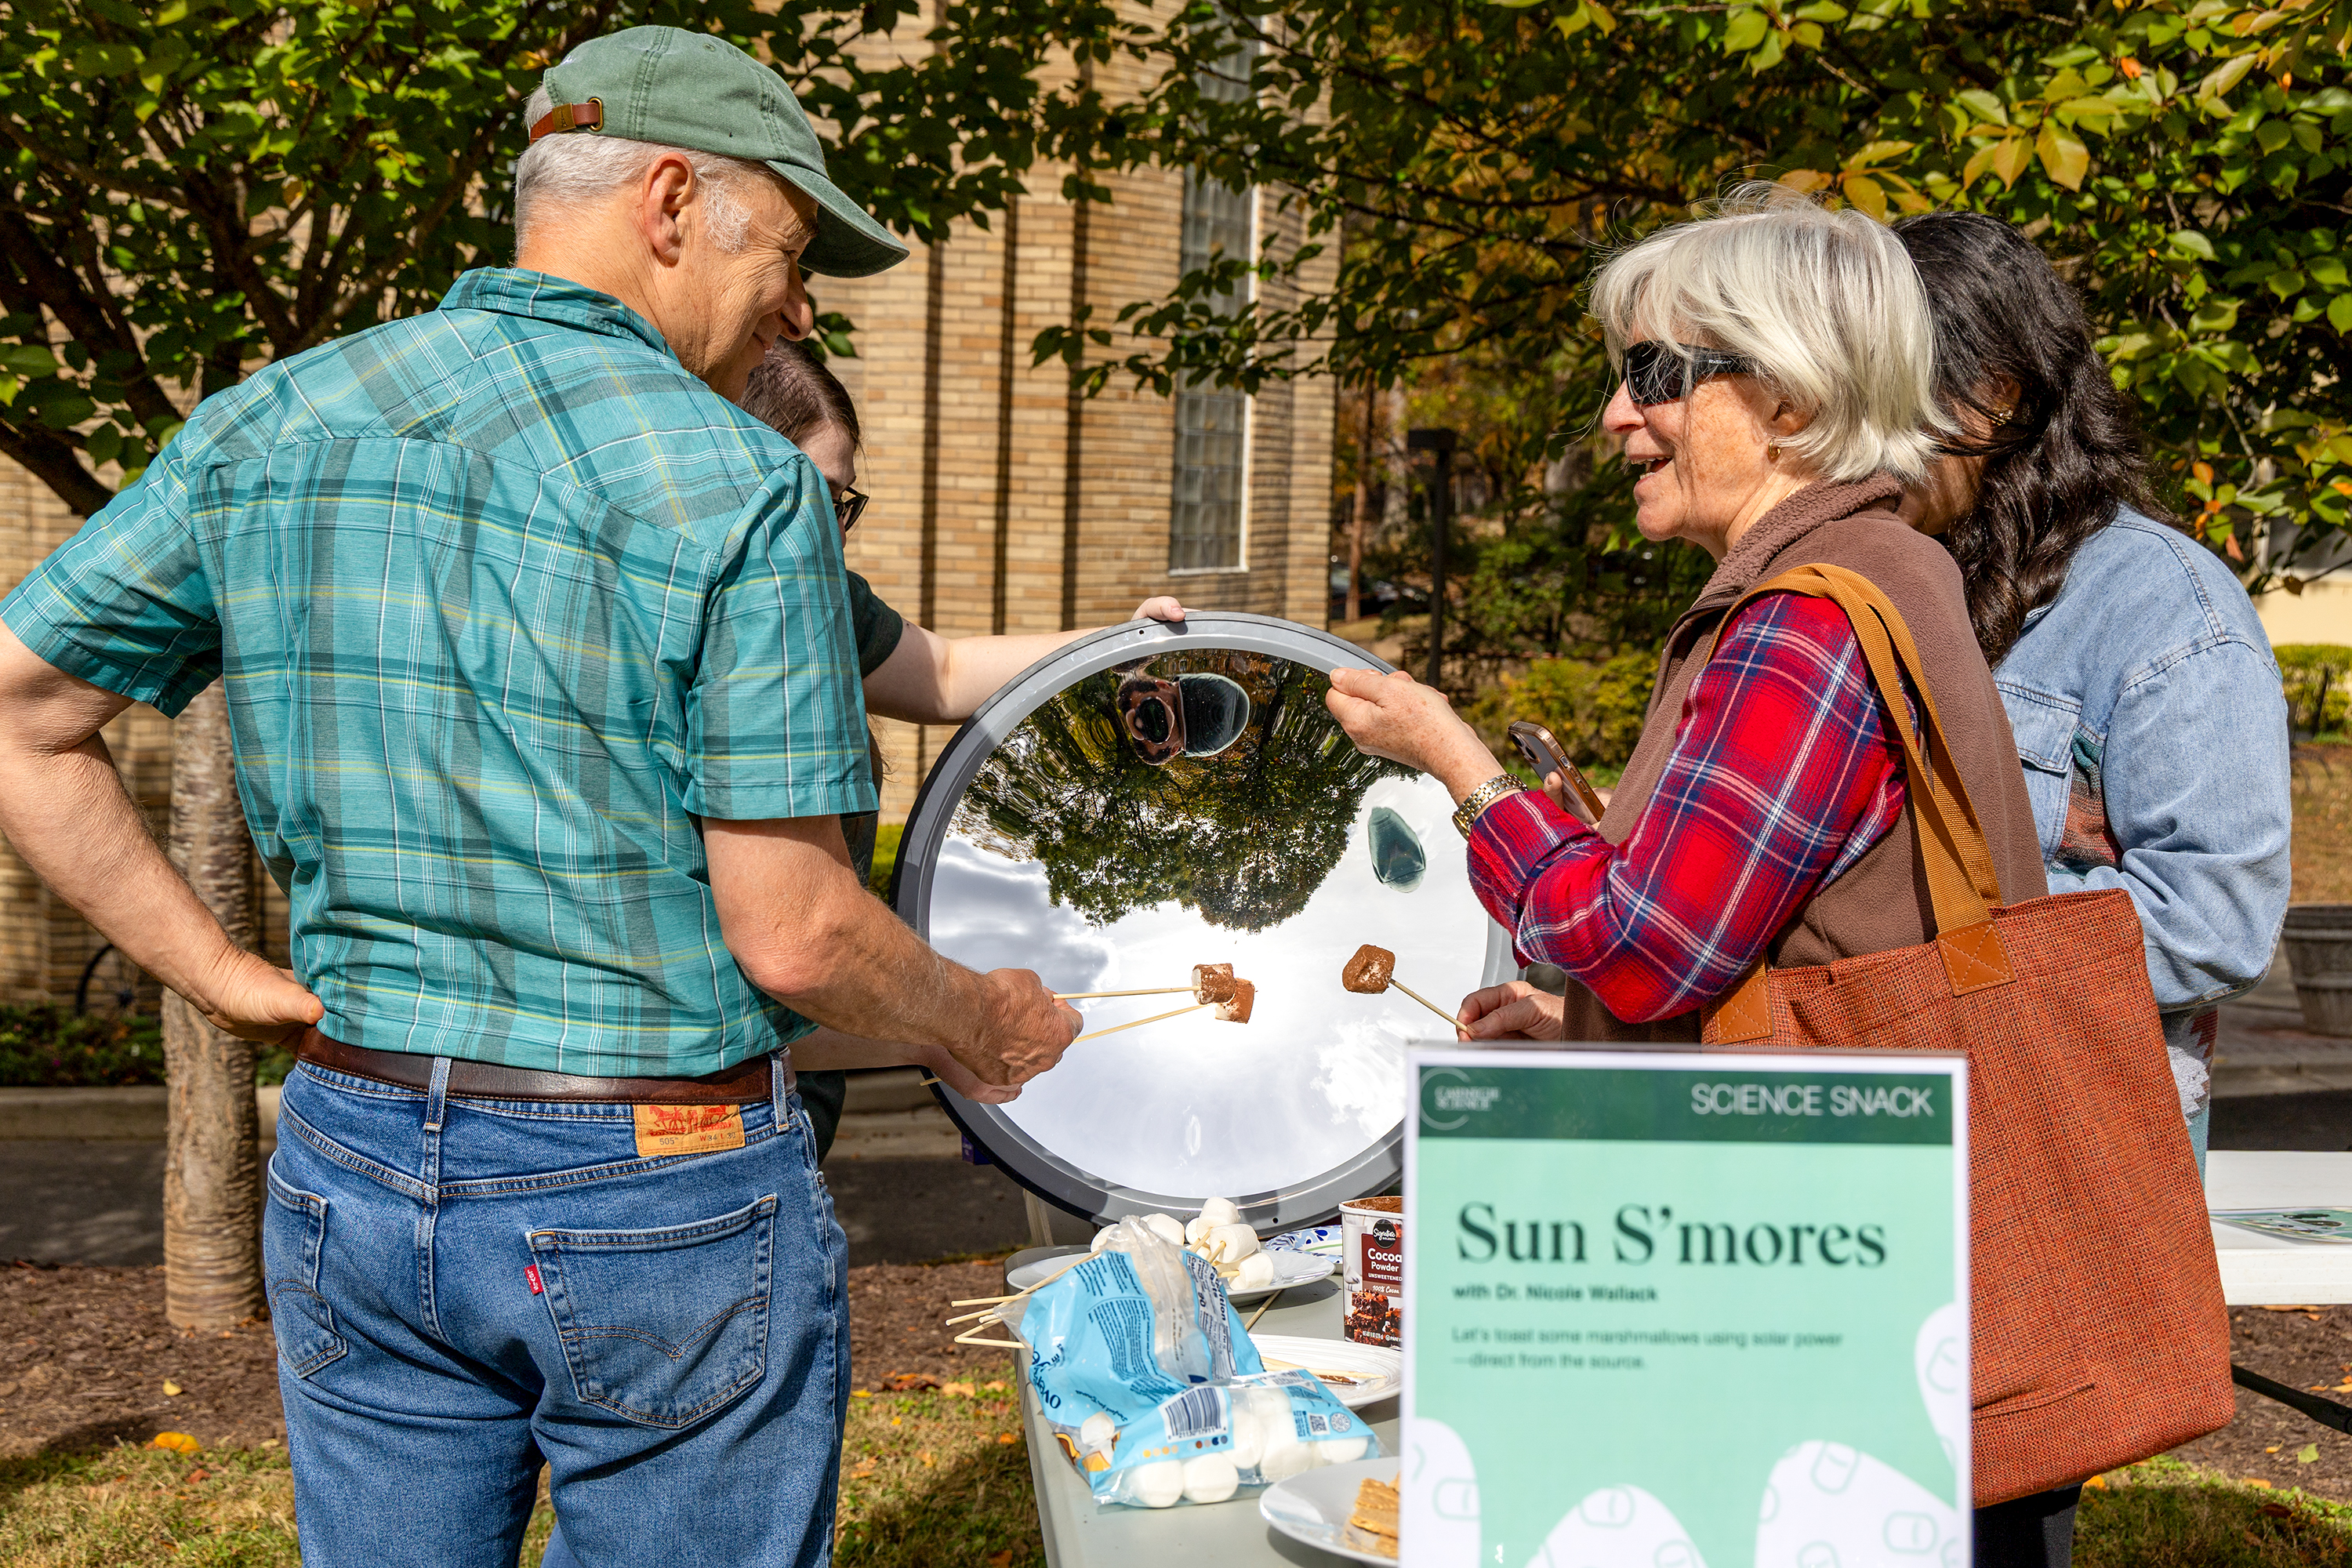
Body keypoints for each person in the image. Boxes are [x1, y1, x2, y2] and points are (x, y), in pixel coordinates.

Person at [0, 27, 1078, 1568]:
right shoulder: (736, 480)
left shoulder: (268, 423)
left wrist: (223, 977)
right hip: (656, 1179)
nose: (799, 301)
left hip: (352, 1154)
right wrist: (987, 1025)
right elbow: (794, 934)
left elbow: (19, 710)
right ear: (666, 202)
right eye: (783, 246)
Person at [1327, 184, 2046, 1050]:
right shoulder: (1895, 562)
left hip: (1787, 1165)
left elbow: (1645, 949)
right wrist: (1579, 1025)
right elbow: (1771, 939)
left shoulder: (1807, 617)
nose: (1617, 413)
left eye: (1654, 374)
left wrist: (1457, 764)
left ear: (1790, 400)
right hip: (1854, 1144)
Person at [1891, 209, 2292, 1169]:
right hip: (1903, 1128)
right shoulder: (1893, 580)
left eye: (1877, 398)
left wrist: (1906, 952)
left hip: (2078, 1162)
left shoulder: (2170, 617)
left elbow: (2213, 922)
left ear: (1990, 398)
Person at [730, 339, 1186, 1157]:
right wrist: (958, 1021)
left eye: (843, 506)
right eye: (812, 501)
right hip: (713, 1130)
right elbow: (776, 962)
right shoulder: (728, 616)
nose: (831, 539)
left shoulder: (822, 597)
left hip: (784, 1123)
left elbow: (941, 672)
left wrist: (1118, 643)